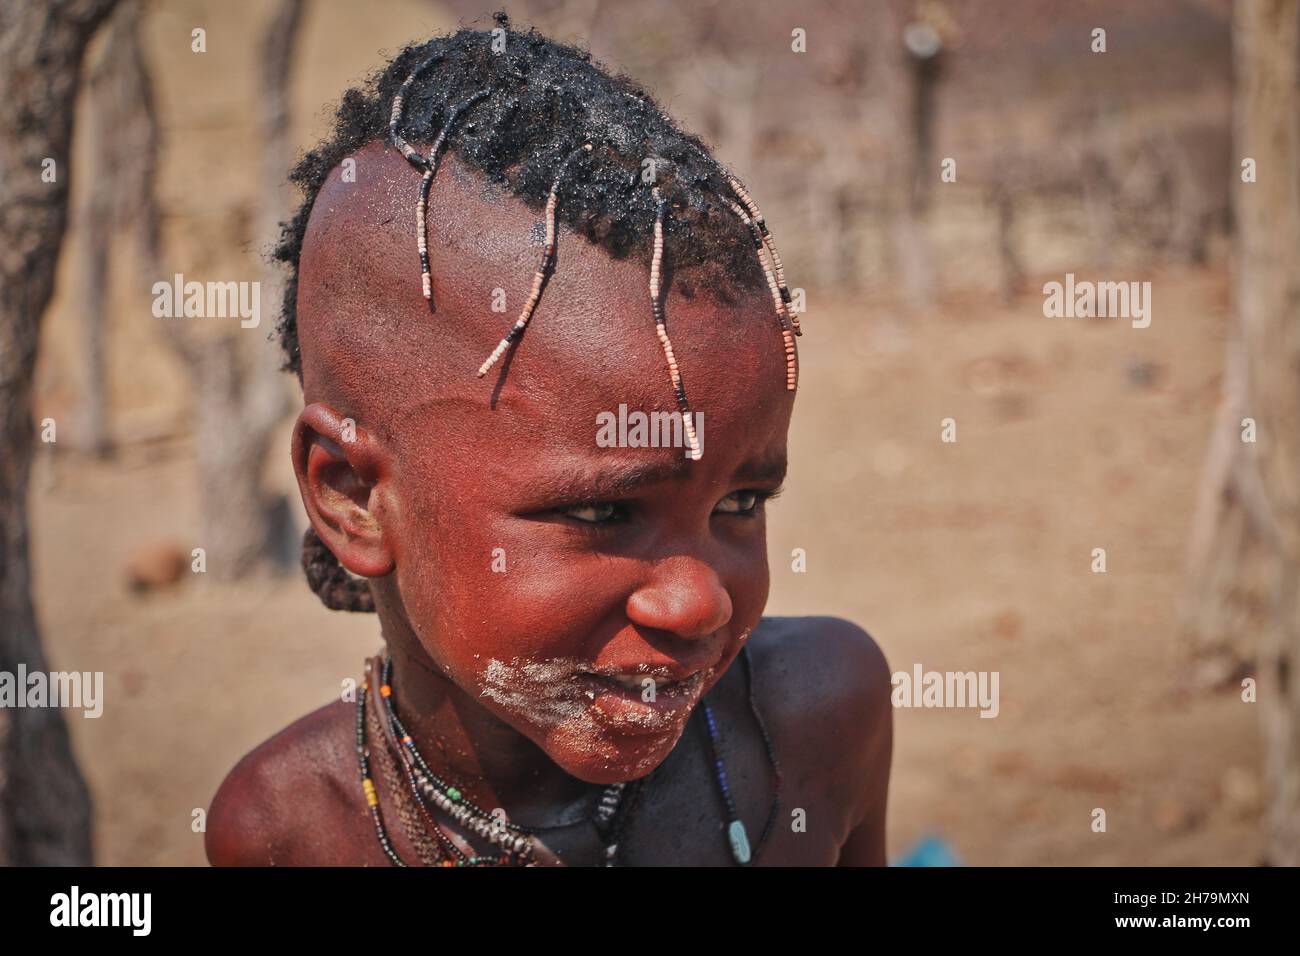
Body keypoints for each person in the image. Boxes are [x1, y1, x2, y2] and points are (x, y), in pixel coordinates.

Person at [206, 13, 891, 867]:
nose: (698, 602)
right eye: (606, 511)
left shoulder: (815, 719)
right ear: (353, 498)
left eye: (741, 502)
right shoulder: (292, 829)